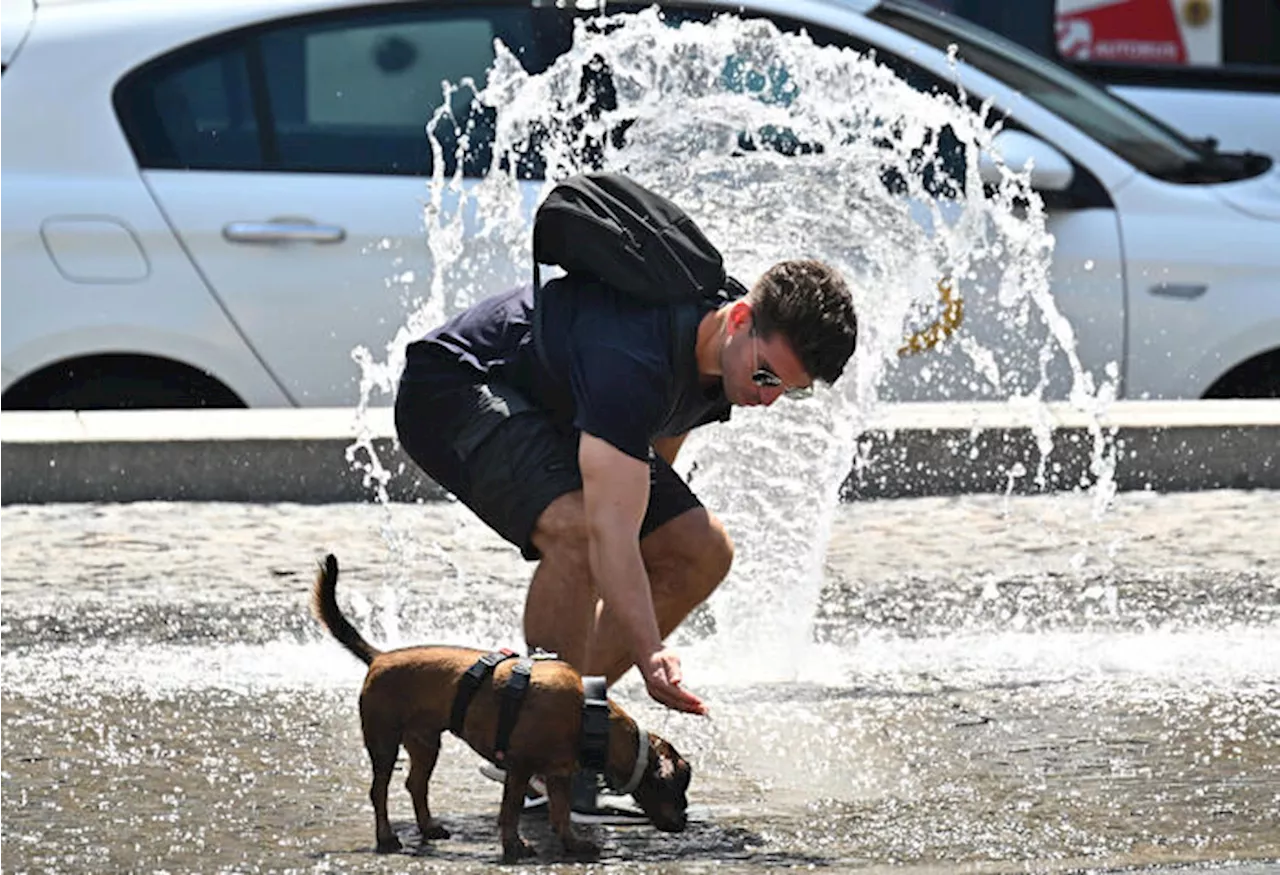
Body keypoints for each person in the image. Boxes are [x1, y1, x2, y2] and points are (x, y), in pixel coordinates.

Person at [395, 252, 857, 717]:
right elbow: (609, 527)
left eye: (791, 390)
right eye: (766, 375)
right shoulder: (634, 357)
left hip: (560, 408)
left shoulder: (723, 352)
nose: (769, 397)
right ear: (739, 318)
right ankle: (539, 739)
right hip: (454, 388)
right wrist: (650, 651)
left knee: (700, 550)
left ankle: (553, 718)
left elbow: (657, 450)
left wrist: (627, 574)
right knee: (582, 533)